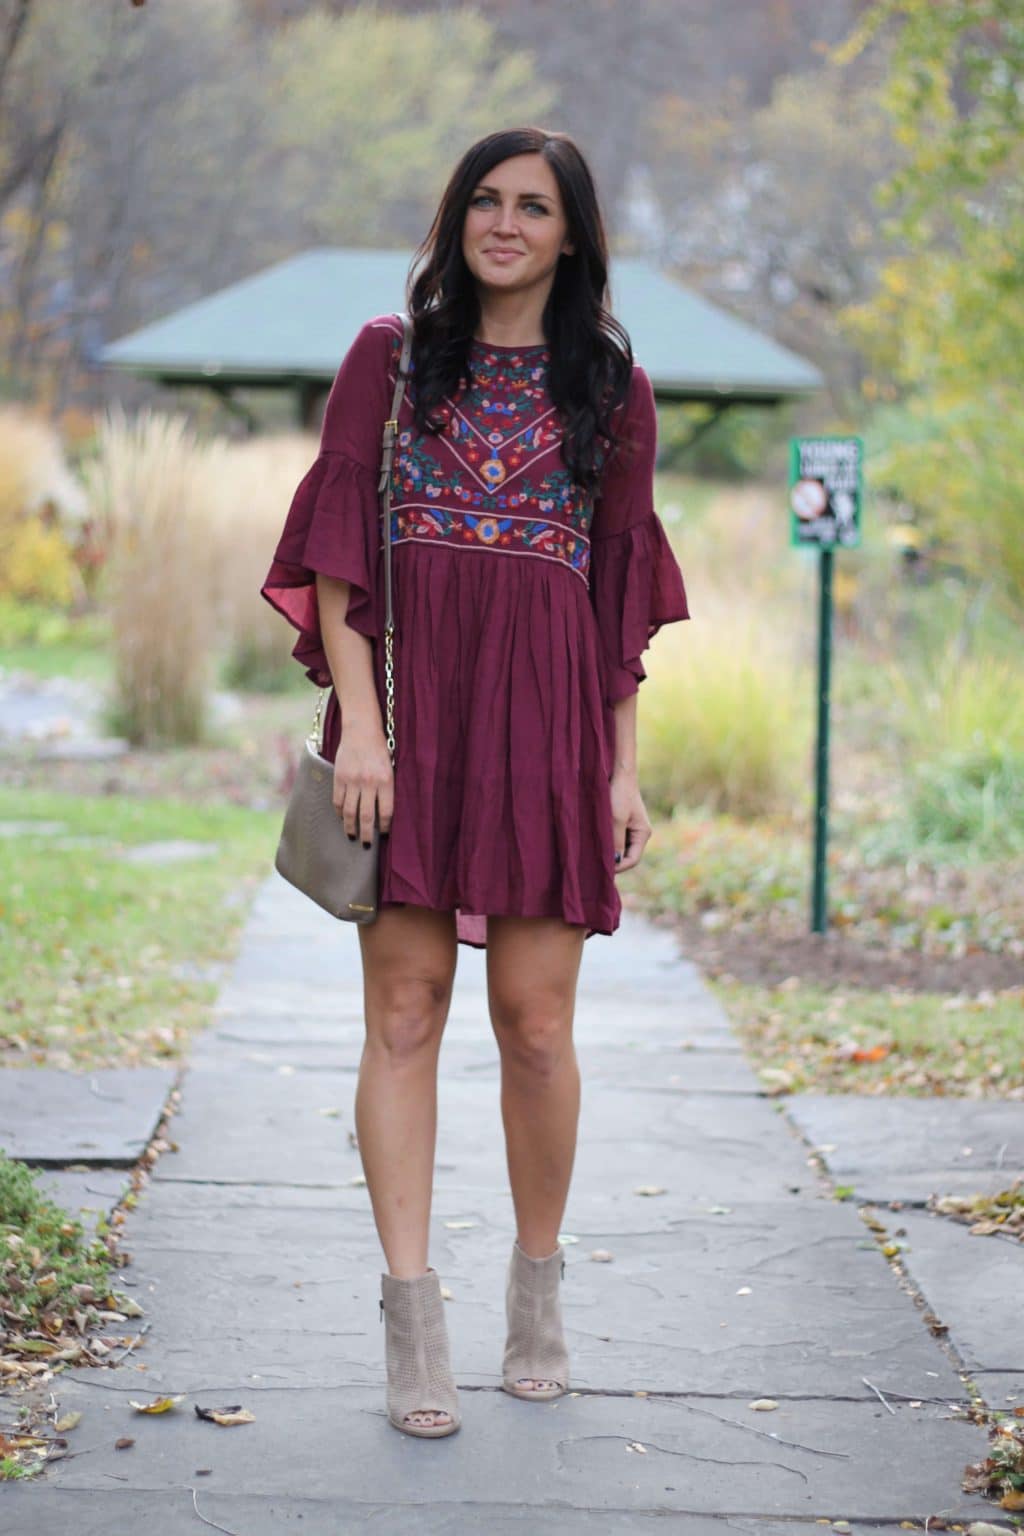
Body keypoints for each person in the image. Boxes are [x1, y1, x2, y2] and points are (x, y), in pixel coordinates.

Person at [260, 125, 690, 1439]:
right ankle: (412, 1318)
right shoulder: (388, 363)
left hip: (551, 728)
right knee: (404, 1015)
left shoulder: (609, 383)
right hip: (414, 728)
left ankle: (538, 1293)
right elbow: (340, 568)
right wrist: (368, 733)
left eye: (536, 206)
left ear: (573, 234)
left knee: (537, 1027)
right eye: (486, 201)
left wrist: (622, 773)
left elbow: (618, 594)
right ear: (457, 219)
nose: (506, 222)